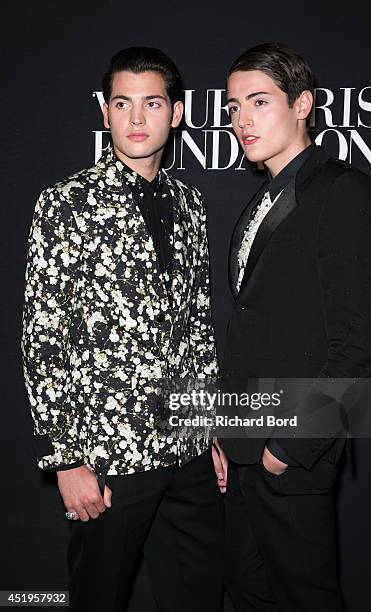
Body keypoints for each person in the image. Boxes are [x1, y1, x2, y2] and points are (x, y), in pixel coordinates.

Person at [21, 46, 224, 612]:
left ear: (176, 113)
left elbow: (199, 329)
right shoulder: (65, 204)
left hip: (187, 454)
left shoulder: (191, 205)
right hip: (110, 460)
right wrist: (66, 457)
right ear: (106, 113)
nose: (137, 119)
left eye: (152, 103)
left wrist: (207, 430)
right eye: (123, 104)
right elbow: (43, 336)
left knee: (199, 598)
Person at [218, 42, 371, 611]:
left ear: (302, 104)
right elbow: (252, 328)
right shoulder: (259, 198)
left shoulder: (342, 191)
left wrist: (291, 445)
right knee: (247, 593)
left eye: (259, 102)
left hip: (290, 454)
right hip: (245, 446)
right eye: (235, 106)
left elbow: (356, 345)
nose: (242, 119)